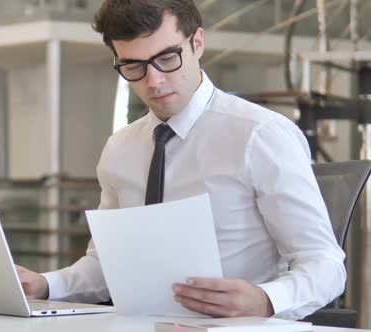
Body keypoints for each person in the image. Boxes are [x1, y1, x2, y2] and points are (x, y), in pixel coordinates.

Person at [17, 0, 346, 320]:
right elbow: (108, 264)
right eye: (133, 66)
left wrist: (266, 300)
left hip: (232, 328)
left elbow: (325, 264)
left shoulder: (261, 136)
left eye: (167, 58)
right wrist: (47, 284)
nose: (154, 80)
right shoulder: (120, 148)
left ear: (197, 43)